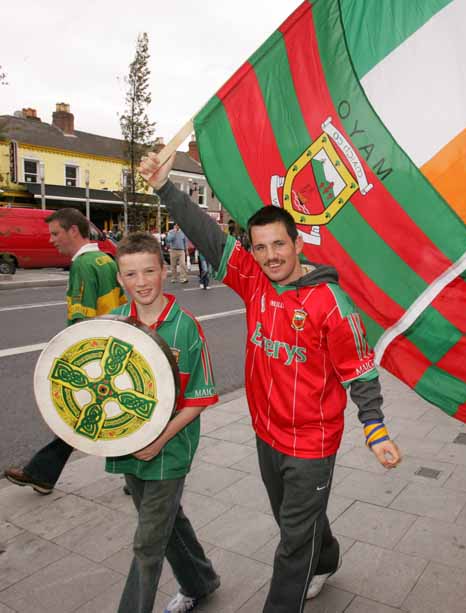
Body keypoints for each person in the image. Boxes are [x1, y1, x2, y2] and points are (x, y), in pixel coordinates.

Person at [139, 151, 402, 612]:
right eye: (259, 247)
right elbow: (209, 237)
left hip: (312, 444)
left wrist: (374, 426)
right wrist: (164, 188)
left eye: (278, 245)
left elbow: (358, 368)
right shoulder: (255, 281)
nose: (269, 256)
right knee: (292, 521)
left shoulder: (329, 303)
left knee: (292, 545)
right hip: (267, 435)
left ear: (297, 243)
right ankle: (328, 557)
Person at [107, 232, 220, 613]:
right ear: (120, 280)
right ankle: (200, 579)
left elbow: (200, 397)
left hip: (169, 450)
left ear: (165, 271)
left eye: (149, 271)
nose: (141, 282)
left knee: (147, 542)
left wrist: (159, 440)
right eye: (131, 274)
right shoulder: (115, 324)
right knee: (164, 521)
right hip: (129, 447)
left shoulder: (185, 326)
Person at [4, 208, 126, 494]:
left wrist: (70, 357)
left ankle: (42, 473)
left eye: (56, 233)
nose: (52, 240)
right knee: (91, 416)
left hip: (93, 353)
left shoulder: (83, 265)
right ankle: (43, 473)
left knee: (79, 416)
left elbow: (80, 318)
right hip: (110, 346)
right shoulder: (105, 260)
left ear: (74, 231)